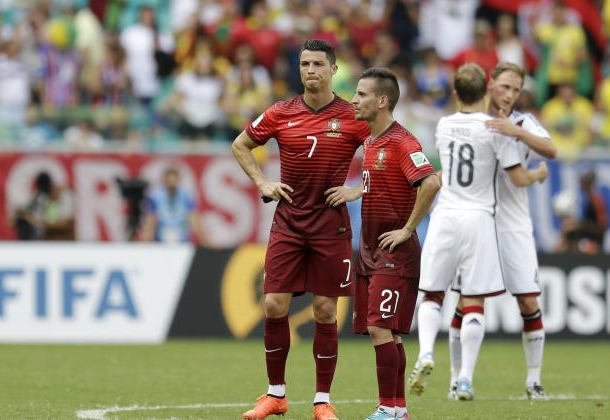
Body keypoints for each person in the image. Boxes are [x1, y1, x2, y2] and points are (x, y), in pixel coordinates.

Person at [231, 39, 370, 420]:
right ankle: (276, 395)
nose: (311, 71)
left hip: (331, 227)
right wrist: (262, 183)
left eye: (318, 64)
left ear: (333, 70)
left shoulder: (352, 115)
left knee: (325, 311)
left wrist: (357, 189)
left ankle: (322, 400)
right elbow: (241, 145)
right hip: (289, 224)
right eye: (305, 64)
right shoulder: (280, 112)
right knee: (274, 304)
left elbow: (385, 153)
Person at [407, 63, 548, 401]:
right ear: (487, 90)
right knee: (474, 302)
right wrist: (538, 174)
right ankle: (465, 378)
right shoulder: (493, 130)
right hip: (479, 218)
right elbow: (516, 176)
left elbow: (444, 170)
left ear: (455, 93)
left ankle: (426, 351)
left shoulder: (442, 125)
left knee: (432, 294)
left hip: (445, 215)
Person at [332, 67, 440, 419]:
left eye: (361, 94)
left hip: (395, 252)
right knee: (388, 333)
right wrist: (356, 190)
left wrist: (409, 229)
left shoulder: (402, 141)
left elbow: (430, 183)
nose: (353, 99)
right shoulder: (370, 140)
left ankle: (386, 409)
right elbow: (381, 178)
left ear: (382, 100)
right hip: (370, 250)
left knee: (380, 327)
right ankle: (398, 411)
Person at [141, 167, 203, 244]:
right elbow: (150, 220)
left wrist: (202, 239)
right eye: (169, 182)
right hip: (160, 239)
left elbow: (193, 219)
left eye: (174, 182)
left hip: (182, 239)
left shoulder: (186, 195)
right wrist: (145, 239)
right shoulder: (155, 196)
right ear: (164, 181)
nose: (171, 185)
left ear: (178, 181)